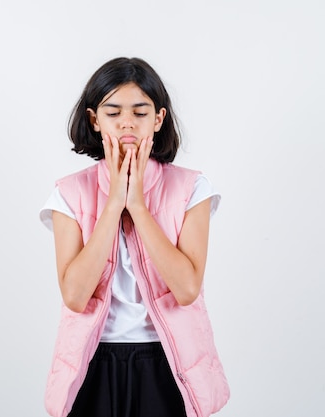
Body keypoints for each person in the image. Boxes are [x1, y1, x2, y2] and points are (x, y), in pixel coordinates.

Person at [39, 57, 230, 417]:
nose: (127, 122)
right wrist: (113, 204)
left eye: (140, 113)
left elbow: (187, 288)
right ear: (95, 120)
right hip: (92, 361)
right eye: (113, 112)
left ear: (158, 119)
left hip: (167, 361)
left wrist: (139, 208)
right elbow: (75, 296)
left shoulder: (192, 187)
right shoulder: (68, 193)